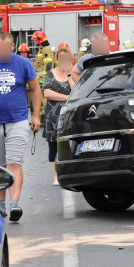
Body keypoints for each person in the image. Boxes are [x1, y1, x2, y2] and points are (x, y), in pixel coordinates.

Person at [0, 31, 42, 222]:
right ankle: (1, 205)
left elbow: (36, 89)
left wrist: (35, 116)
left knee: (14, 163)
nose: (2, 51)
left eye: (6, 47)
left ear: (12, 46)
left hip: (18, 121)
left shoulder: (23, 64)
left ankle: (14, 205)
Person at [43, 45, 75, 185]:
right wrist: (66, 97)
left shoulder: (73, 74)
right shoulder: (50, 74)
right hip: (53, 116)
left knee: (69, 145)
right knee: (53, 146)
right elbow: (47, 93)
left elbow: (76, 91)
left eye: (66, 58)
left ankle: (67, 174)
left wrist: (69, 76)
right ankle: (56, 176)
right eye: (61, 57)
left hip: (69, 117)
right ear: (57, 58)